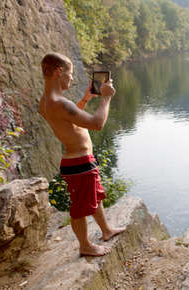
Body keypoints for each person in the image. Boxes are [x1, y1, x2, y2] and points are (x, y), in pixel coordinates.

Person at [39, 52, 125, 256]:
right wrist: (105, 98)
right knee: (79, 207)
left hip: (79, 161)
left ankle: (106, 230)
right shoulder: (60, 103)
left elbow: (70, 121)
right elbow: (96, 124)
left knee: (94, 196)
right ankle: (85, 246)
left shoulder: (47, 101)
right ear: (59, 71)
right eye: (69, 73)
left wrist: (85, 99)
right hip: (78, 162)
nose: (72, 78)